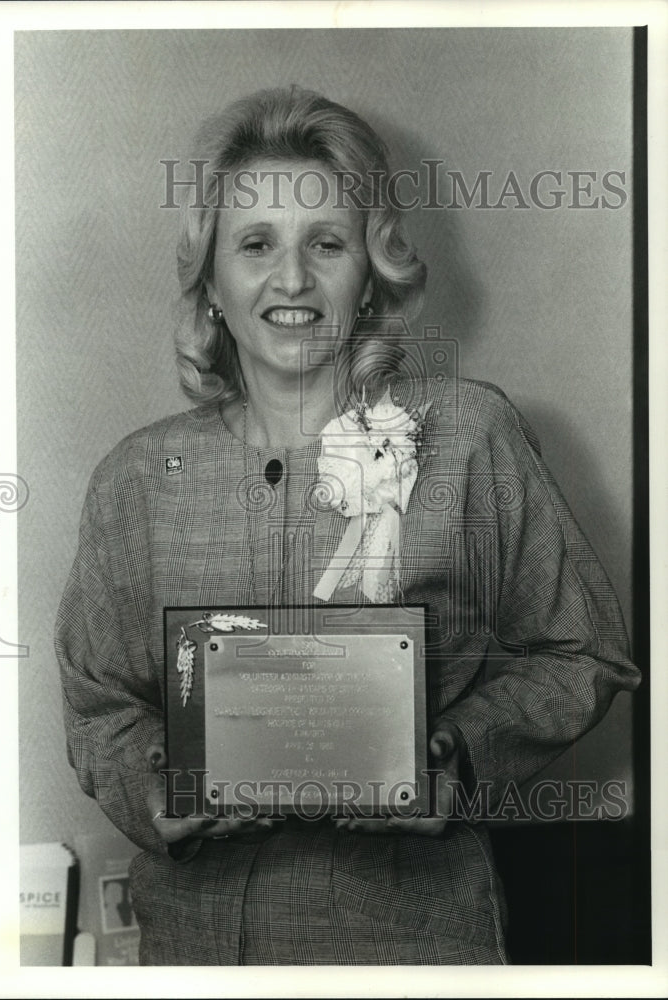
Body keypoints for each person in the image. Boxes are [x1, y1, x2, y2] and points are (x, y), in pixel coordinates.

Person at [55, 86, 640, 965]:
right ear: (211, 280)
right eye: (256, 245)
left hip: (412, 936)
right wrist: (154, 790)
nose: (291, 281)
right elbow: (100, 706)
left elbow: (582, 653)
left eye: (325, 244)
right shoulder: (136, 478)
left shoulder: (468, 432)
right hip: (200, 947)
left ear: (369, 273)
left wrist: (458, 755)